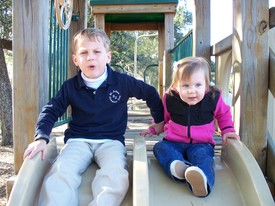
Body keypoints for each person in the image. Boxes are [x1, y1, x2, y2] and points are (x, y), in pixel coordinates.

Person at [23, 28, 164, 206]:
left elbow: (150, 93)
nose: (91, 57)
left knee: (115, 176)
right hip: (78, 141)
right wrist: (41, 137)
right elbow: (51, 110)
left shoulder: (122, 82)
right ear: (76, 59)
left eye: (97, 51)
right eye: (84, 53)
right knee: (60, 173)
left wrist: (159, 121)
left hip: (111, 141)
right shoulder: (70, 87)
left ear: (108, 56)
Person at [141, 57, 240, 197]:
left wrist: (228, 130)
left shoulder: (212, 98)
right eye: (185, 85)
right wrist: (153, 128)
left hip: (202, 144)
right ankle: (180, 169)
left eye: (198, 85)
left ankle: (203, 181)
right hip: (174, 143)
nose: (191, 91)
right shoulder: (170, 99)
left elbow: (223, 114)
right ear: (176, 86)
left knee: (203, 158)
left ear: (206, 85)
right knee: (160, 148)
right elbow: (164, 120)